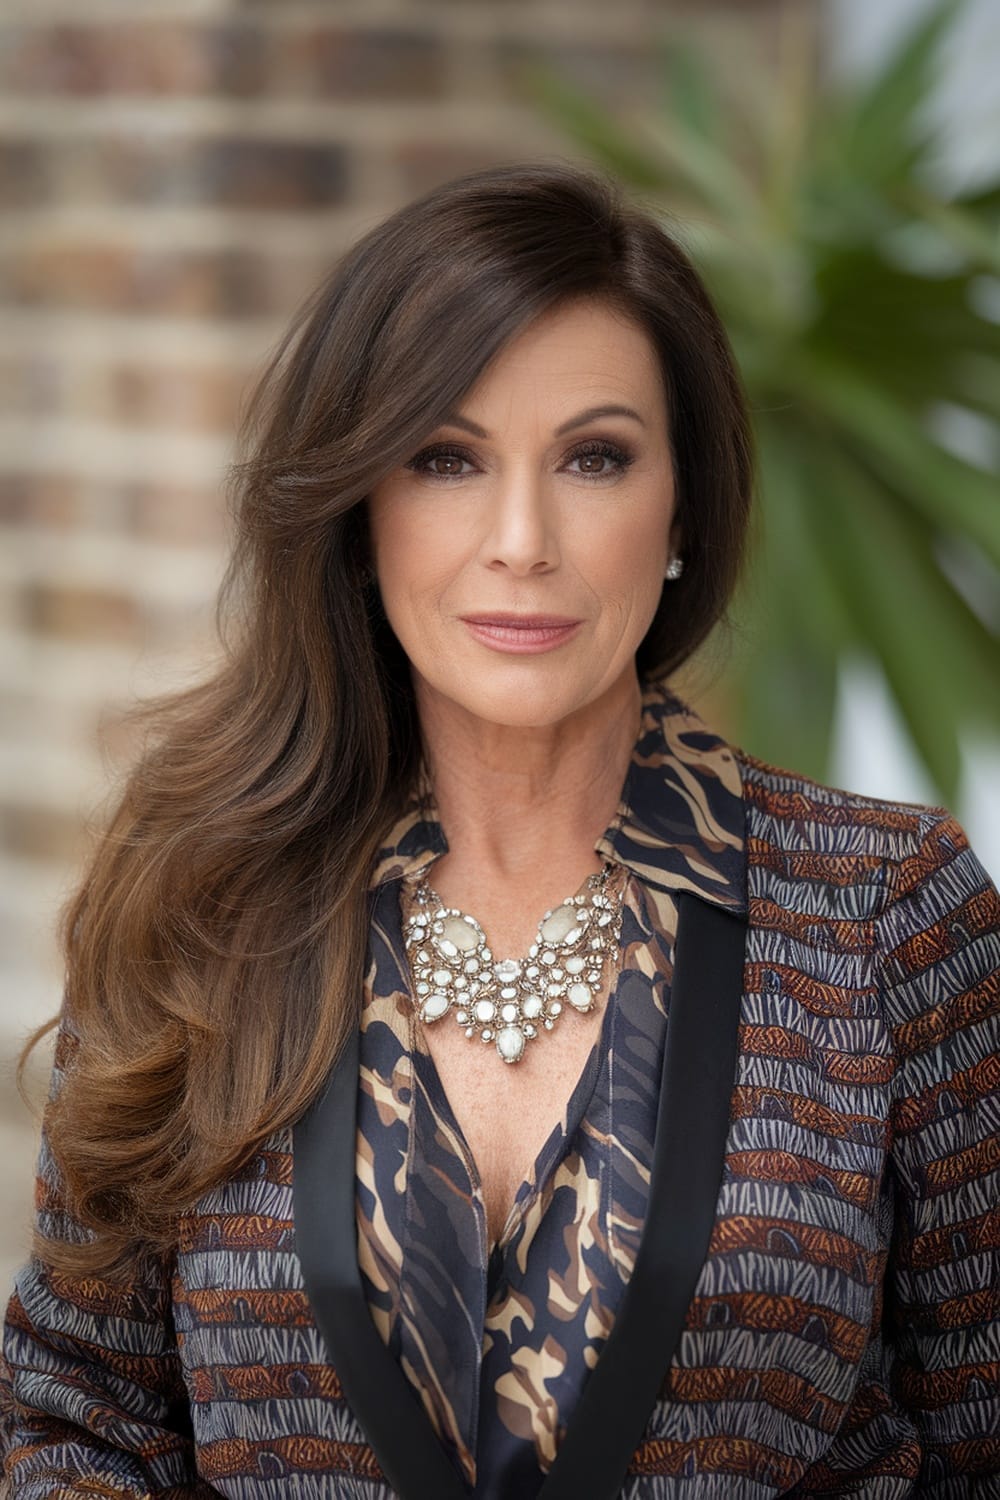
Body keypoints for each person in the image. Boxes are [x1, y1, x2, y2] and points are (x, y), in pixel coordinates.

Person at [1, 159, 998, 1500]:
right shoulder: (205, 904)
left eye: (595, 458)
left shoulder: (888, 914)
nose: (521, 539)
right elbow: (75, 1416)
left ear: (683, 506)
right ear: (361, 510)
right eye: (446, 459)